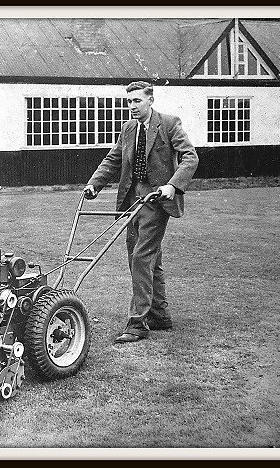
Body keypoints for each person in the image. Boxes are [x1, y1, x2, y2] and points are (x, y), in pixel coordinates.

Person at [83, 81, 199, 343]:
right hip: (132, 201)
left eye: (137, 101)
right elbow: (113, 159)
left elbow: (190, 157)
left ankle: (137, 323)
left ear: (150, 100)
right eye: (129, 102)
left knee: (141, 256)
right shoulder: (128, 129)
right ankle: (159, 314)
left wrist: (172, 185)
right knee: (148, 258)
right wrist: (94, 185)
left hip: (157, 201)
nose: (132, 106)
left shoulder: (169, 124)